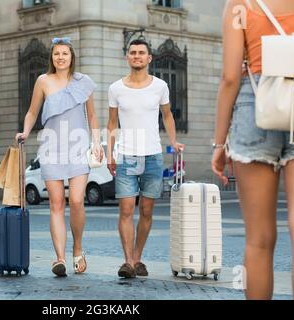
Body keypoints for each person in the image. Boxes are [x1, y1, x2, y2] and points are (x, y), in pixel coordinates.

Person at [212, 0, 294, 299]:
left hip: (255, 105)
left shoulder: (240, 6)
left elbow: (230, 77)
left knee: (258, 240)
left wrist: (219, 142)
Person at [15, 37, 103, 277]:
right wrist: (25, 130)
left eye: (65, 53)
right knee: (56, 203)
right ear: (51, 58)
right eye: (56, 54)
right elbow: (33, 112)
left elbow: (93, 117)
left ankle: (77, 248)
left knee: (76, 200)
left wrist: (97, 142)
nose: (61, 57)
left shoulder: (83, 82)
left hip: (78, 146)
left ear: (71, 57)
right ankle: (60, 258)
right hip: (51, 148)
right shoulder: (43, 81)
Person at [106, 39, 184, 278]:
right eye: (132, 53)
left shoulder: (160, 86)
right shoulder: (116, 88)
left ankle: (138, 257)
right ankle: (128, 262)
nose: (137, 56)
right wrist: (110, 153)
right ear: (127, 57)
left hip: (153, 155)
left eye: (141, 53)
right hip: (127, 156)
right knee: (127, 209)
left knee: (147, 211)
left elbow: (167, 116)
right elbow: (112, 123)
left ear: (149, 58)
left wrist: (173, 141)